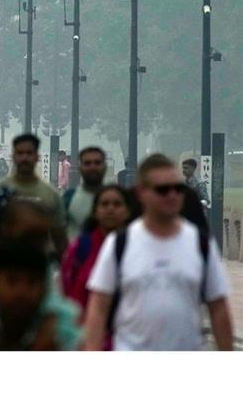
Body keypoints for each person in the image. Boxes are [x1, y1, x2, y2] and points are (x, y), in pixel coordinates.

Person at [84, 153, 234, 351]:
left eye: (177, 189)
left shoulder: (200, 244)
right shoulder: (120, 243)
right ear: (142, 193)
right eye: (162, 190)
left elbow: (218, 307)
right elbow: (99, 307)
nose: (172, 195)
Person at [60, 184, 138, 347]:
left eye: (117, 204)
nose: (110, 209)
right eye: (104, 204)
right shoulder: (80, 248)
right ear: (95, 211)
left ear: (128, 211)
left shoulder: (138, 249)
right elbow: (66, 293)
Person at [0, 133, 68, 259]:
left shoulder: (51, 195)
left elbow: (59, 238)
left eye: (29, 153)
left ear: (37, 157)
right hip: (5, 265)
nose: (25, 158)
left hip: (41, 267)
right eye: (20, 153)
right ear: (13, 157)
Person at [63, 147, 107, 239]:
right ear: (80, 167)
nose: (92, 167)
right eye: (87, 163)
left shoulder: (115, 198)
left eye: (97, 163)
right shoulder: (69, 198)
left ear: (105, 166)